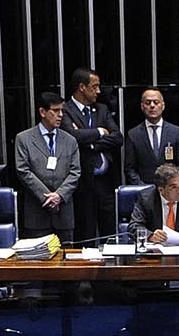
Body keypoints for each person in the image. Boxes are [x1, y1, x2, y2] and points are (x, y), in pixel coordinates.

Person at [63, 68, 122, 245]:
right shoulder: (66, 110)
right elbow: (71, 136)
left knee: (109, 233)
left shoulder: (102, 109)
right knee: (86, 232)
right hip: (82, 183)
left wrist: (90, 144)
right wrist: (100, 131)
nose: (98, 91)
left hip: (105, 182)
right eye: (94, 87)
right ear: (82, 87)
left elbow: (117, 137)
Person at [11, 91, 80, 238]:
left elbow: (75, 172)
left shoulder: (70, 140)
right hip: (37, 211)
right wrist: (47, 197)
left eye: (62, 110)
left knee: (66, 251)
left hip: (64, 212)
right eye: (55, 111)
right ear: (42, 112)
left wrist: (59, 196)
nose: (60, 115)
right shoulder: (24, 139)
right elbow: (23, 171)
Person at [127, 162, 179, 243]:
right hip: (156, 249)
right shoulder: (146, 199)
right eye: (174, 187)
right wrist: (150, 236)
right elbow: (134, 226)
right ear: (161, 190)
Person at [124, 88, 179, 181]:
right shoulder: (133, 134)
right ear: (142, 106)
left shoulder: (175, 132)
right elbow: (129, 169)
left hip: (170, 187)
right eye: (148, 102)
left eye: (156, 102)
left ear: (163, 106)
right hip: (144, 187)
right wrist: (141, 186)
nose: (152, 105)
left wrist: (172, 184)